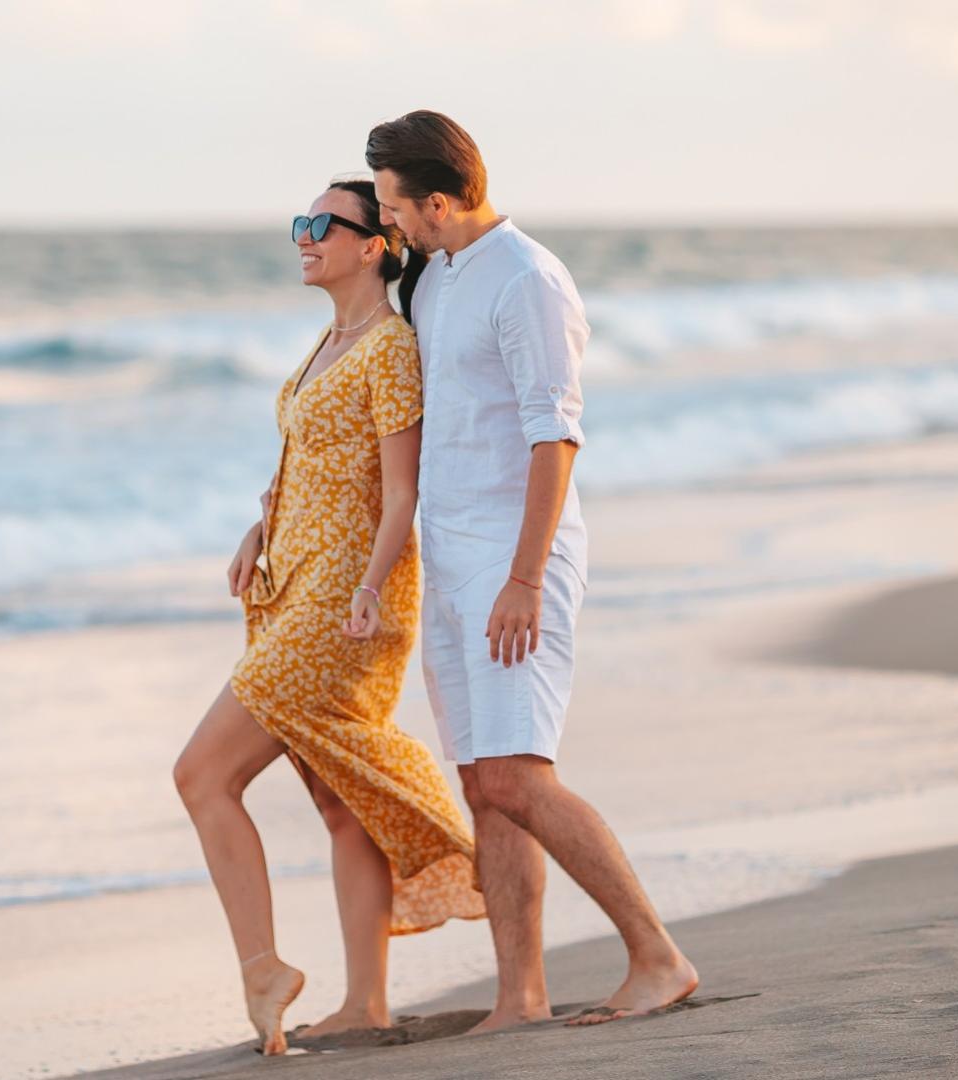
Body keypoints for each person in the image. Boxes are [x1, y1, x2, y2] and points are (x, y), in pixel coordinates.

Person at [365, 110, 699, 1032]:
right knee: (483, 782)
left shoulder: (528, 280)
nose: (389, 222)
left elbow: (557, 438)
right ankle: (521, 996)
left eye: (394, 206)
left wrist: (522, 576)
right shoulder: (437, 280)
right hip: (452, 555)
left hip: (519, 562)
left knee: (517, 774)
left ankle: (658, 955)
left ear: (438, 201)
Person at [172, 178, 484, 1056]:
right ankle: (367, 1005)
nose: (304, 238)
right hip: (292, 587)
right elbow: (309, 465)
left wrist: (371, 587)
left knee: (201, 774)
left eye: (322, 225)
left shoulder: (388, 348)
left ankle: (262, 969)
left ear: (373, 243)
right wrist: (256, 529)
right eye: (299, 225)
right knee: (340, 806)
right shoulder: (328, 341)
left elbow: (400, 491)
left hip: (346, 601)